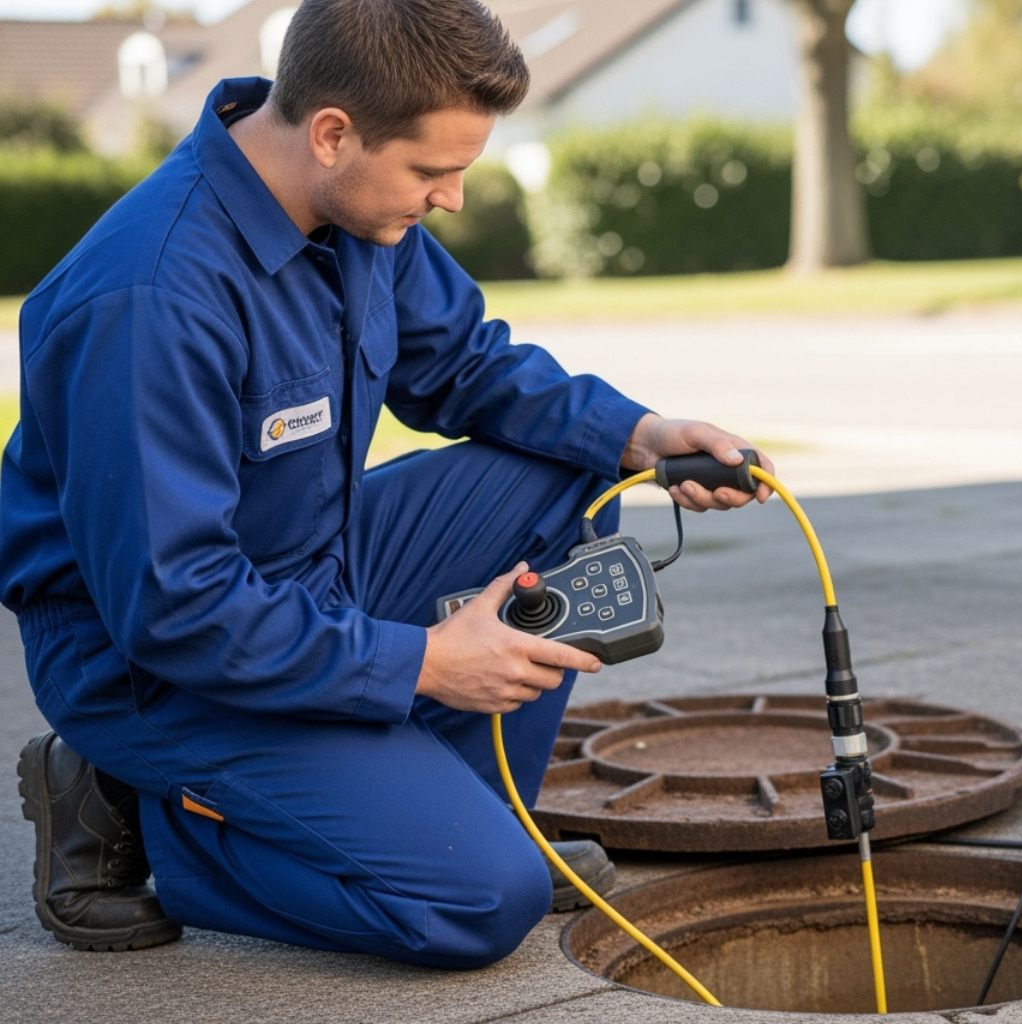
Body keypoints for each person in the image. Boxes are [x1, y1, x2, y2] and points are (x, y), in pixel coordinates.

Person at [1, 0, 772, 969]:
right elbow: (177, 607)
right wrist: (423, 664)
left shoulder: (359, 215)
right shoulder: (151, 297)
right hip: (153, 665)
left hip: (311, 565)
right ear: (332, 133)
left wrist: (642, 434)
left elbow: (468, 365)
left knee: (574, 470)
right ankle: (150, 814)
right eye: (432, 170)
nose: (450, 197)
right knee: (484, 898)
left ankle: (459, 806)